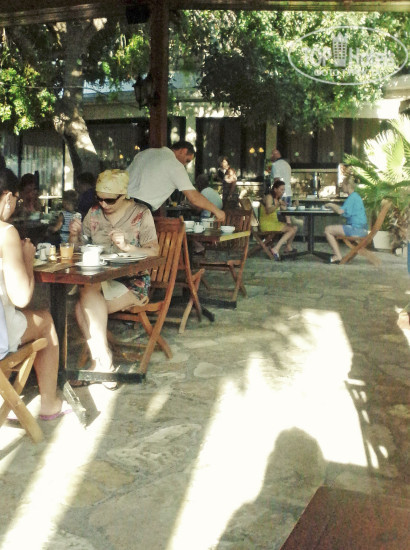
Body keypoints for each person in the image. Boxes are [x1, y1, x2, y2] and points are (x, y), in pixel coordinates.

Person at [69, 169, 159, 387]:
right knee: (86, 294)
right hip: (99, 281)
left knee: (81, 306)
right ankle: (104, 361)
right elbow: (79, 250)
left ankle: (99, 362)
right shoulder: (94, 213)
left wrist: (127, 247)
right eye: (99, 198)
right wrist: (74, 235)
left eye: (109, 200)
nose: (104, 204)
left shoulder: (141, 213)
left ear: (124, 195)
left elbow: (154, 252)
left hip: (133, 283)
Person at [0, 168, 66, 419]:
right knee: (46, 320)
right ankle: (49, 403)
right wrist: (27, 258)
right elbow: (21, 297)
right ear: (7, 196)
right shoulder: (6, 233)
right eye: (15, 199)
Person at [126, 141, 225, 223]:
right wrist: (217, 211)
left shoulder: (145, 153)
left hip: (120, 202)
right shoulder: (175, 164)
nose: (185, 165)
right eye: (187, 160)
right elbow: (194, 197)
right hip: (138, 210)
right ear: (183, 151)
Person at [324, 176, 368, 264]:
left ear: (348, 185)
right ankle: (337, 256)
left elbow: (340, 211)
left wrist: (330, 204)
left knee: (327, 230)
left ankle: (337, 256)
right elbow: (345, 211)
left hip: (355, 229)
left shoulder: (352, 197)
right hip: (362, 229)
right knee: (331, 229)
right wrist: (333, 206)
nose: (341, 186)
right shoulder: (356, 196)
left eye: (343, 184)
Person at [260, 180, 298, 261]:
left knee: (294, 228)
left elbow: (285, 210)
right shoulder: (269, 197)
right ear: (275, 189)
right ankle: (275, 249)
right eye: (281, 189)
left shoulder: (277, 199)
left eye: (284, 190)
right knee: (291, 230)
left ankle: (288, 247)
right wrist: (278, 204)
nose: (283, 192)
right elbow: (268, 210)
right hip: (267, 224)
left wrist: (293, 205)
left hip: (274, 223)